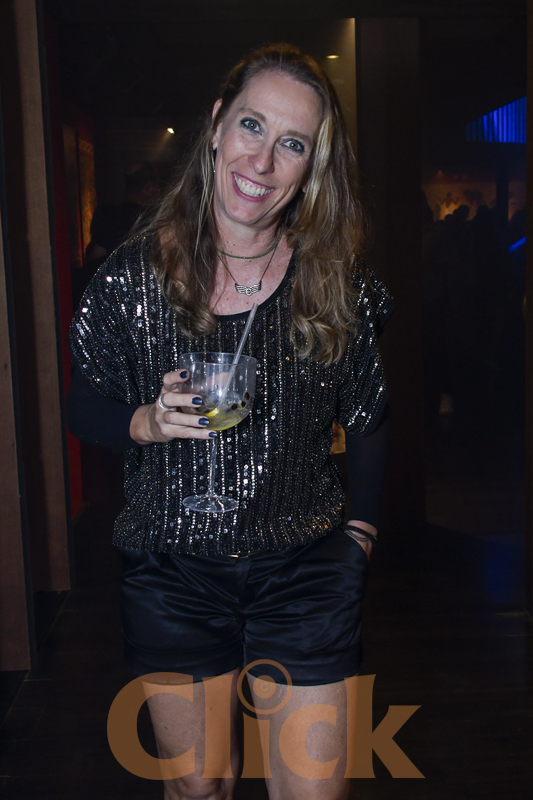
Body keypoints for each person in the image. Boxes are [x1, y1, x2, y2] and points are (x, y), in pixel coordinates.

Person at [68, 44, 392, 800]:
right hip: (172, 566)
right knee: (199, 786)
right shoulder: (132, 278)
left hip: (305, 567)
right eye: (251, 125)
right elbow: (83, 406)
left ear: (311, 166)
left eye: (292, 143)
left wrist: (359, 537)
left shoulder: (333, 282)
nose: (263, 161)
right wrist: (145, 422)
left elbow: (370, 413)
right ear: (216, 124)